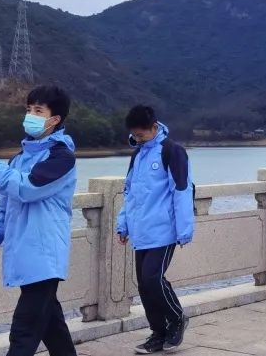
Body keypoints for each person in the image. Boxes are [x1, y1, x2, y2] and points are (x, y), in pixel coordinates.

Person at [0, 85, 79, 356]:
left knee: (23, 332)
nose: (31, 115)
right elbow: (5, 206)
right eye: (29, 109)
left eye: (38, 111)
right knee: (52, 327)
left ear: (55, 119)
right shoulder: (18, 159)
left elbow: (27, 189)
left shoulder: (62, 157)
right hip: (24, 255)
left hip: (44, 256)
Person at [116, 106, 194, 354]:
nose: (137, 139)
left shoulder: (172, 151)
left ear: (154, 127)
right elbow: (129, 193)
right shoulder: (137, 155)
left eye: (141, 135)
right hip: (141, 231)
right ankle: (158, 333)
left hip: (164, 230)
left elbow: (181, 191)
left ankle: (177, 318)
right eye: (134, 135)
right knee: (144, 284)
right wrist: (123, 224)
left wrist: (184, 229)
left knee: (153, 278)